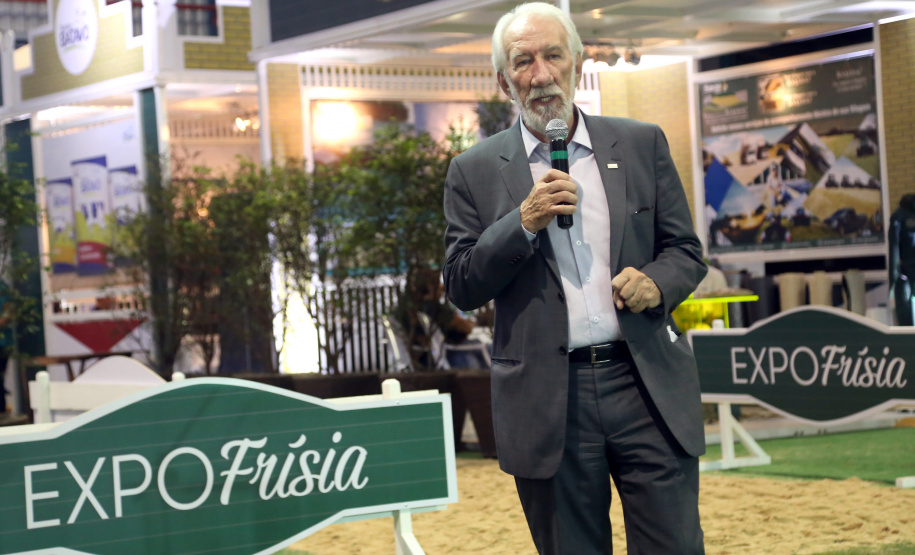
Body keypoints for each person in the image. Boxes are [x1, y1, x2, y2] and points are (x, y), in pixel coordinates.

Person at [442, 3, 708, 553]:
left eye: (553, 56)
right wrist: (522, 222)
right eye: (523, 62)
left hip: (646, 385)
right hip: (548, 401)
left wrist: (657, 284)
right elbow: (462, 284)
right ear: (504, 81)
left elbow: (684, 251)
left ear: (578, 63)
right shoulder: (473, 170)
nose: (541, 74)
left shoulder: (641, 143)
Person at [394, 267, 489, 369]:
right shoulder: (433, 309)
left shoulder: (407, 309)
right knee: (488, 348)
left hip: (430, 356)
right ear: (429, 286)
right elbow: (466, 327)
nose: (441, 287)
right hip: (448, 354)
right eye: (437, 283)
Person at [889, 194, 915, 326]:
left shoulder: (898, 217)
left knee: (904, 306)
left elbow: (894, 248)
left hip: (907, 271)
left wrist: (892, 280)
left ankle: (907, 332)